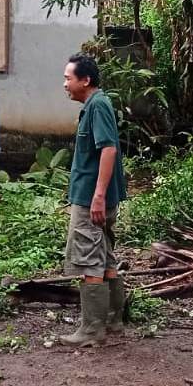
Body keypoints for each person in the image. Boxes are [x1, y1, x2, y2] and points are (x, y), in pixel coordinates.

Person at [59, 53, 129, 346]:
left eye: (68, 78)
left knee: (89, 261)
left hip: (92, 199)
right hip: (96, 196)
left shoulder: (98, 106)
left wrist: (98, 196)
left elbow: (108, 149)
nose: (64, 84)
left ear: (85, 80)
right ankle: (113, 320)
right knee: (105, 256)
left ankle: (91, 330)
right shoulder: (96, 105)